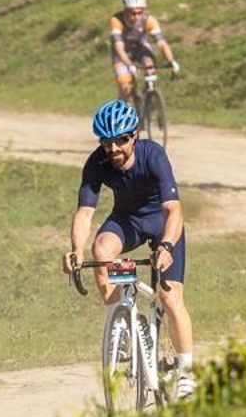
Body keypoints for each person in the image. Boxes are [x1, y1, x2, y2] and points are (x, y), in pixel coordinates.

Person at [62, 99, 196, 401]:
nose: (114, 150)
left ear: (134, 135)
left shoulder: (153, 155)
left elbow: (174, 210)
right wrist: (75, 250)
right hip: (127, 220)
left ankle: (187, 372)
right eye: (107, 143)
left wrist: (166, 246)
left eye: (121, 141)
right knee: (101, 250)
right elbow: (85, 213)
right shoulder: (97, 162)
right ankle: (118, 323)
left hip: (162, 224)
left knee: (170, 298)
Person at [108, 0, 179, 100]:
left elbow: (161, 43)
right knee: (125, 84)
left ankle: (148, 95)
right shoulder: (116, 20)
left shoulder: (149, 20)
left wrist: (171, 61)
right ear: (125, 11)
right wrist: (129, 64)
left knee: (149, 65)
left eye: (139, 12)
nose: (136, 16)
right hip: (121, 52)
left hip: (139, 47)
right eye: (132, 13)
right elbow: (119, 48)